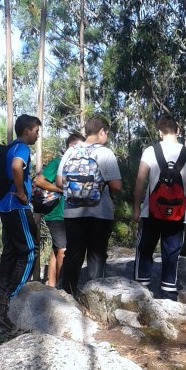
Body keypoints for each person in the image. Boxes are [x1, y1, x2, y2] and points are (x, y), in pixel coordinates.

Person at [132, 114, 186, 301]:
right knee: (171, 253)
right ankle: (169, 293)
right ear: (177, 131)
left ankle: (140, 289)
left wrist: (137, 209)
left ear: (160, 132)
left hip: (151, 212)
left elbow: (139, 182)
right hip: (178, 215)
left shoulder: (150, 151)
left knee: (145, 249)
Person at [56, 115, 122, 296]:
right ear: (101, 131)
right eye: (106, 133)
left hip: (72, 212)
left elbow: (60, 182)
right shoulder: (105, 153)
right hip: (100, 214)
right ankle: (95, 298)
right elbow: (116, 185)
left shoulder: (70, 152)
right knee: (96, 255)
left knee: (73, 254)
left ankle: (67, 296)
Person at [0, 114, 41, 330]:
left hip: (5, 206)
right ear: (28, 130)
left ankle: (1, 292)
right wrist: (22, 193)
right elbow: (16, 167)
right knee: (30, 251)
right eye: (36, 131)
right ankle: (13, 296)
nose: (38, 135)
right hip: (17, 206)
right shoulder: (22, 147)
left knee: (11, 251)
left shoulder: (10, 146)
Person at [33, 132, 84, 287]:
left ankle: (52, 286)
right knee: (63, 250)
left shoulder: (79, 166)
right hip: (56, 214)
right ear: (71, 146)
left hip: (68, 214)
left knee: (57, 250)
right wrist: (59, 190)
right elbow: (39, 180)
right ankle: (63, 287)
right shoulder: (58, 162)